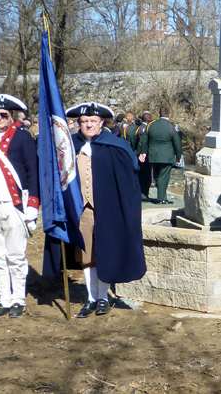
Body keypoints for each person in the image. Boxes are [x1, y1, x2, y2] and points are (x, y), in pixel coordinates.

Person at [45, 102, 146, 318]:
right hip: (83, 210)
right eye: (84, 121)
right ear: (78, 124)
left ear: (101, 122)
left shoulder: (115, 146)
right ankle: (91, 298)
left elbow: (130, 177)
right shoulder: (70, 146)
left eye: (93, 121)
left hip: (109, 210)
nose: (88, 124)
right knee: (87, 255)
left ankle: (103, 297)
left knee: (105, 253)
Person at [0, 94, 40, 318]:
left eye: (3, 115)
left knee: (15, 255)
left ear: (11, 116)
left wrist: (33, 204)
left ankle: (18, 299)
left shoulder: (22, 137)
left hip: (14, 204)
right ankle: (4, 298)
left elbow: (32, 171)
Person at [138, 107, 182, 204]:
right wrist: (178, 156)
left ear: (159, 113)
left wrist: (143, 152)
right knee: (163, 177)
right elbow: (177, 143)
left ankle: (162, 197)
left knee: (157, 176)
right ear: (169, 114)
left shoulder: (151, 125)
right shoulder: (171, 126)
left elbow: (144, 140)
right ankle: (161, 198)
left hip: (153, 155)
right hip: (167, 156)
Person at [136, 111, 153, 199]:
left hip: (141, 154)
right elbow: (142, 142)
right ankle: (144, 193)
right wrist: (143, 153)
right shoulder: (145, 128)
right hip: (144, 154)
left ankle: (143, 192)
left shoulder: (139, 127)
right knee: (146, 175)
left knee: (142, 174)